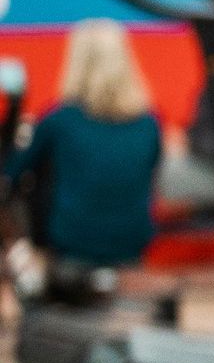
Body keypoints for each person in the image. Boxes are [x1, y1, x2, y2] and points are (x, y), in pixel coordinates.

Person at [3, 19, 163, 292]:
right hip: (132, 243)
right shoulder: (150, 124)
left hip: (72, 244)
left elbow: (12, 174)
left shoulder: (59, 120)